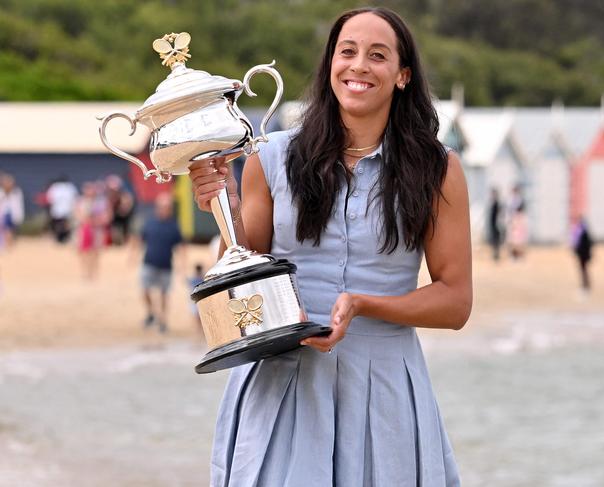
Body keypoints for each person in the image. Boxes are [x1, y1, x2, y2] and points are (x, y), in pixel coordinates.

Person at [189, 7, 471, 486]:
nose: (359, 65)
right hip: (282, 380)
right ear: (330, 65)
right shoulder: (270, 156)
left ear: (402, 76)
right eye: (348, 51)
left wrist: (363, 305)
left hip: (384, 384)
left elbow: (455, 302)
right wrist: (227, 214)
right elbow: (237, 283)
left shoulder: (438, 170)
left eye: (377, 55)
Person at [136, 192, 185, 333]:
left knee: (164, 294)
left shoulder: (173, 226)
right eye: (162, 206)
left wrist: (182, 264)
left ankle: (163, 320)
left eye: (167, 207)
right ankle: (151, 312)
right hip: (149, 262)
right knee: (145, 290)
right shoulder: (150, 223)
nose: (164, 209)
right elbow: (141, 238)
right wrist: (133, 255)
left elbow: (181, 246)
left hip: (166, 265)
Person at [46, 175, 78, 244]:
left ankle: (60, 238)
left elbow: (50, 199)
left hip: (58, 210)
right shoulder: (70, 187)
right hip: (67, 210)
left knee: (59, 225)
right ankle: (63, 238)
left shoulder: (55, 187)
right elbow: (75, 198)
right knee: (65, 225)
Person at [0, 172, 24, 248]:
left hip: (13, 214)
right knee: (6, 230)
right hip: (4, 214)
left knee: (12, 230)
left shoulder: (16, 192)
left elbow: (19, 205)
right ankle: (6, 244)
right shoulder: (1, 193)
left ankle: (9, 244)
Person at [571, 217, 593, 294]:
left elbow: (584, 245)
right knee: (583, 271)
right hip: (583, 255)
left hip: (583, 255)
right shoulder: (583, 231)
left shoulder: (583, 232)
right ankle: (585, 285)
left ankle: (585, 286)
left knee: (584, 271)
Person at [486, 187, 503, 261]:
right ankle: (495, 254)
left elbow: (500, 214)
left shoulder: (497, 203)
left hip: (497, 224)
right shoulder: (492, 202)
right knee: (493, 239)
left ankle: (497, 254)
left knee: (496, 239)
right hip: (492, 223)